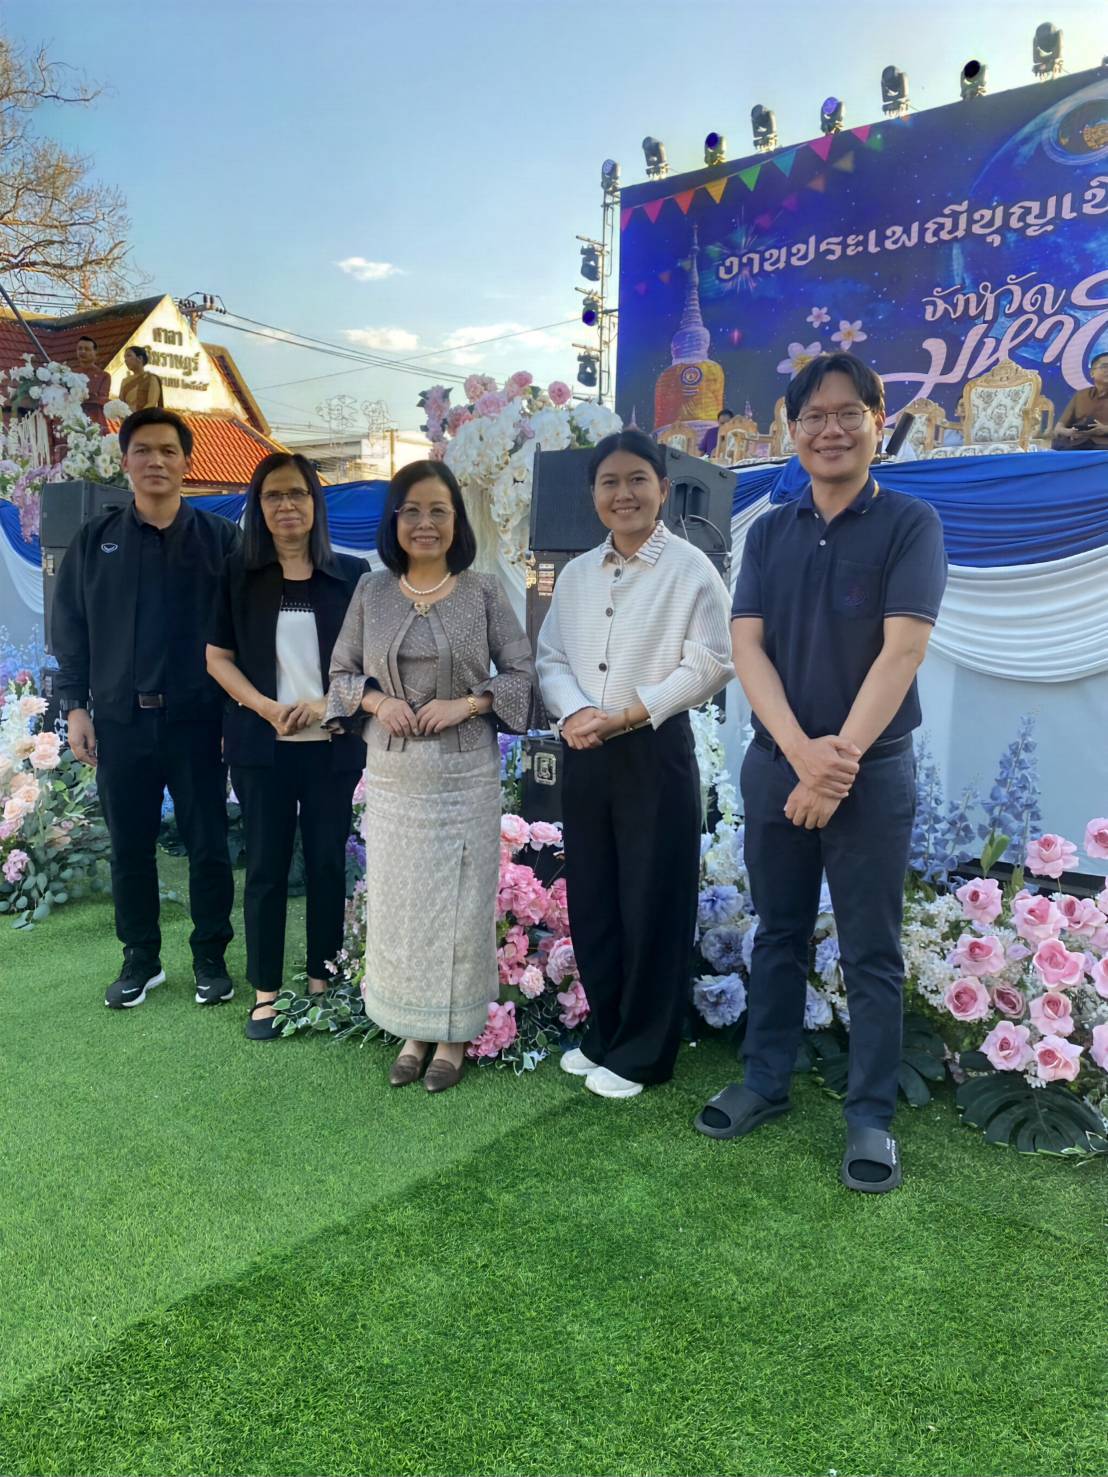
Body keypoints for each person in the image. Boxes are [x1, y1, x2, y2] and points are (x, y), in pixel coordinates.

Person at [695, 353, 947, 1193]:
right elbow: (747, 648)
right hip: (778, 766)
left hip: (872, 776)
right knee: (778, 930)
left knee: (871, 948)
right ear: (792, 429)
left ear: (879, 421)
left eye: (848, 413)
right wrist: (803, 754)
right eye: (814, 416)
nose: (830, 429)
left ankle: (870, 1114)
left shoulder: (910, 523)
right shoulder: (769, 531)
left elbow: (902, 651)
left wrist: (834, 766)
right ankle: (764, 1079)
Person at [536, 429, 734, 1100]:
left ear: (663, 488)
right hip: (586, 749)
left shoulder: (689, 568)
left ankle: (645, 1051)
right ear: (593, 494)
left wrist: (627, 713)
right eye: (609, 482)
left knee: (653, 899)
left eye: (637, 479)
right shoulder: (576, 575)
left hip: (652, 746)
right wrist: (573, 713)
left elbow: (711, 661)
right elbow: (551, 657)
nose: (623, 494)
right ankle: (606, 1031)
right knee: (594, 895)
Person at [325, 461, 534, 1092]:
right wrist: (377, 702)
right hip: (394, 777)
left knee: (462, 903)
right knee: (402, 904)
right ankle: (411, 1028)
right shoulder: (372, 592)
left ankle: (452, 1035)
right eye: (411, 510)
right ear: (394, 520)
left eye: (438, 510)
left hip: (464, 775)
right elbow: (341, 674)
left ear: (456, 520)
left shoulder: (483, 591)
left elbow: (522, 675)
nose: (425, 523)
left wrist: (466, 704)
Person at [52, 407, 240, 1009]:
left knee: (208, 843)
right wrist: (75, 708)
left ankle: (210, 957)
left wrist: (236, 712)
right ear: (125, 461)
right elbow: (71, 627)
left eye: (168, 450)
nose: (156, 461)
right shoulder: (96, 540)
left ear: (187, 462)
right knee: (130, 845)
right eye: (143, 450)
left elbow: (245, 631)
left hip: (200, 721)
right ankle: (141, 958)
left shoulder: (221, 540)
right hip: (121, 722)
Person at [207, 455, 369, 1040]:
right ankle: (266, 993)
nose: (286, 505)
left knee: (327, 863)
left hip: (331, 746)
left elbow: (371, 663)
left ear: (315, 502)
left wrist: (329, 705)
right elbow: (217, 658)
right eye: (273, 495)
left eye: (297, 493)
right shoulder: (237, 573)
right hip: (263, 747)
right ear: (259, 506)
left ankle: (324, 981)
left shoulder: (352, 575)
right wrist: (266, 707)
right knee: (266, 867)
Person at [1053, 353, 1108, 450]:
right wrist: (1070, 432)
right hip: (1077, 444)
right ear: (1092, 373)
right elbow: (1058, 428)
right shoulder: (1081, 395)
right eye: (1105, 366)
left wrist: (1105, 429)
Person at [74, 335, 111, 427]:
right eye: (80, 349)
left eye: (87, 349)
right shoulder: (71, 374)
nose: (82, 351)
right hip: (74, 419)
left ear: (95, 352)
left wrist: (83, 396)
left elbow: (102, 399)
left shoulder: (104, 376)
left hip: (95, 420)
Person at [120, 346, 164, 412]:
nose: (125, 360)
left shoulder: (151, 379)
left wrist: (137, 416)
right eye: (125, 357)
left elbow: (151, 403)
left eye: (129, 356)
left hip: (144, 416)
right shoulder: (124, 381)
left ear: (140, 358)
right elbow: (121, 404)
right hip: (126, 417)